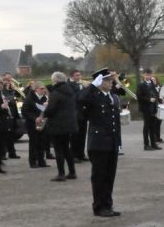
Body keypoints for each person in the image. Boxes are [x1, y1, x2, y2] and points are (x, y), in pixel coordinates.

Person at [81, 69, 125, 217]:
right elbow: (80, 100)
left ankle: (108, 204)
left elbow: (115, 122)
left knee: (109, 176)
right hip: (98, 143)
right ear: (100, 82)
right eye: (107, 80)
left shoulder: (111, 96)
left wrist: (118, 142)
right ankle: (99, 207)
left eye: (110, 80)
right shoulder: (93, 97)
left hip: (111, 142)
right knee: (99, 177)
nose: (111, 82)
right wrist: (92, 86)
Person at [40, 71, 78, 181]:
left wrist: (44, 114)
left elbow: (51, 110)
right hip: (69, 124)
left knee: (58, 150)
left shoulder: (56, 93)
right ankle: (72, 172)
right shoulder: (70, 91)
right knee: (67, 148)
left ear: (55, 81)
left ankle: (61, 173)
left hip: (57, 125)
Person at [22, 80, 50, 168]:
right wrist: (34, 118)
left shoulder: (44, 98)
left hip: (43, 123)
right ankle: (33, 161)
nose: (43, 90)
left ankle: (41, 161)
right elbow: (25, 111)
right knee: (34, 142)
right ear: (35, 89)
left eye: (44, 89)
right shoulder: (29, 98)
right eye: (41, 89)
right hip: (32, 124)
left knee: (42, 142)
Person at [136, 69, 161, 151]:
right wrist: (149, 99)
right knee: (146, 126)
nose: (148, 76)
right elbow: (139, 97)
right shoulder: (141, 85)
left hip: (153, 108)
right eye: (146, 75)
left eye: (149, 75)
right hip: (145, 108)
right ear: (144, 75)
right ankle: (146, 145)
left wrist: (160, 99)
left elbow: (156, 94)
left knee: (152, 126)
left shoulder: (152, 84)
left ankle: (153, 144)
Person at [69, 69, 89, 162]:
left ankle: (81, 154)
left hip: (83, 113)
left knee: (82, 134)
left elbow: (86, 97)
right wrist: (83, 88)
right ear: (72, 76)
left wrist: (88, 88)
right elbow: (77, 97)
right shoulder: (69, 85)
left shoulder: (80, 85)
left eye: (80, 75)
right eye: (77, 75)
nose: (79, 77)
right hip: (74, 113)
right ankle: (73, 155)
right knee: (75, 136)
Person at [1, 73, 22, 160]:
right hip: (5, 114)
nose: (10, 80)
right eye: (8, 79)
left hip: (13, 113)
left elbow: (20, 96)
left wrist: (15, 89)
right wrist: (7, 89)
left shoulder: (11, 88)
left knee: (12, 135)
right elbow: (6, 99)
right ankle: (2, 154)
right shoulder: (2, 89)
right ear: (4, 79)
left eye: (10, 78)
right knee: (5, 136)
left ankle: (12, 153)